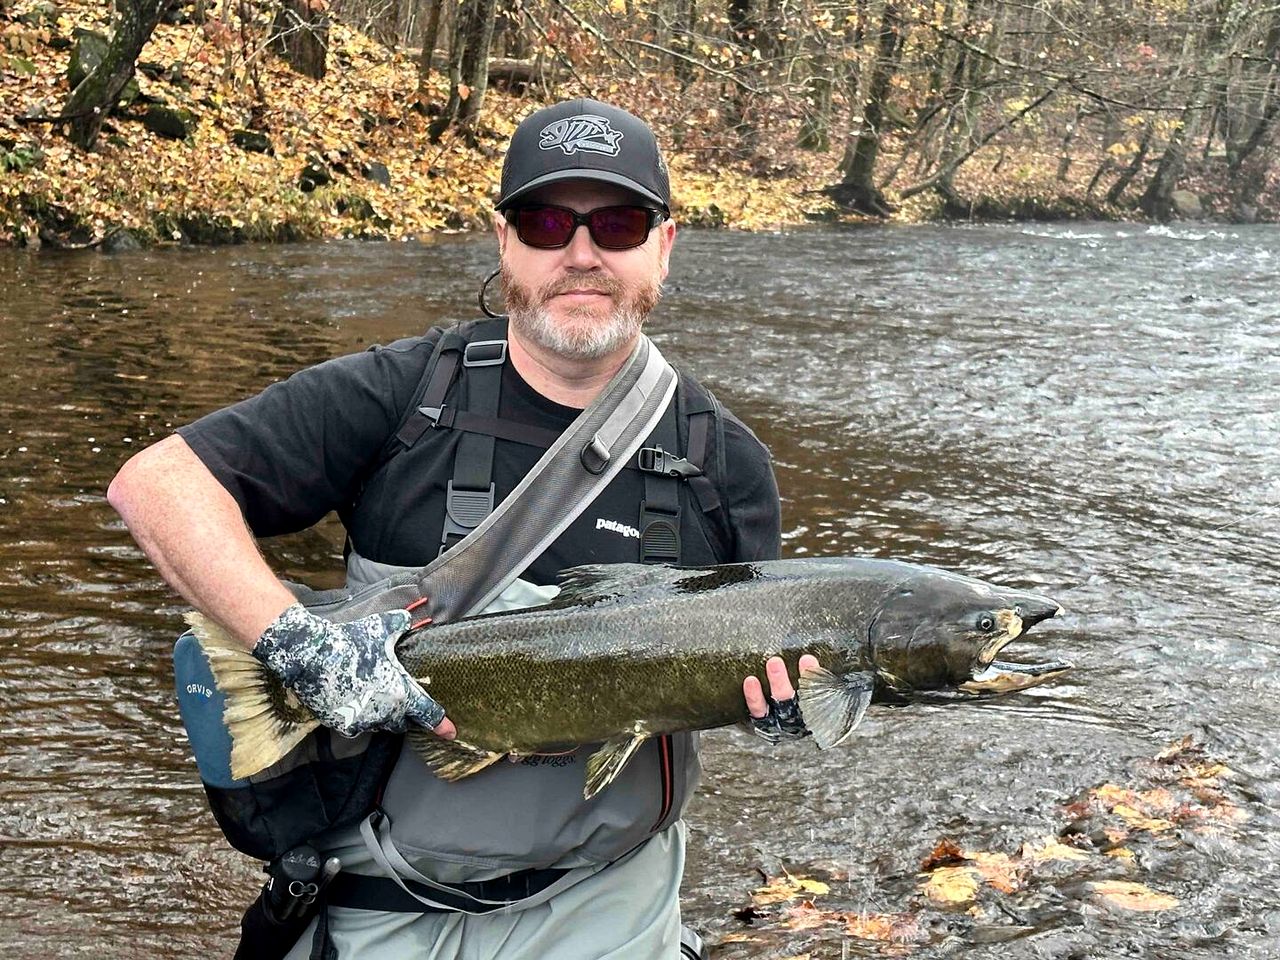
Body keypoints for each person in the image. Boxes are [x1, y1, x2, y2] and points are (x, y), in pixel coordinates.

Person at [108, 99, 813, 959]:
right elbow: (158, 483)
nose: (582, 255)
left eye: (619, 224)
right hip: (379, 903)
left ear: (664, 245)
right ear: (503, 240)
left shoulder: (724, 463)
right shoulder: (402, 396)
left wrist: (793, 705)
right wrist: (294, 643)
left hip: (610, 908)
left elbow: (758, 660)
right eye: (548, 222)